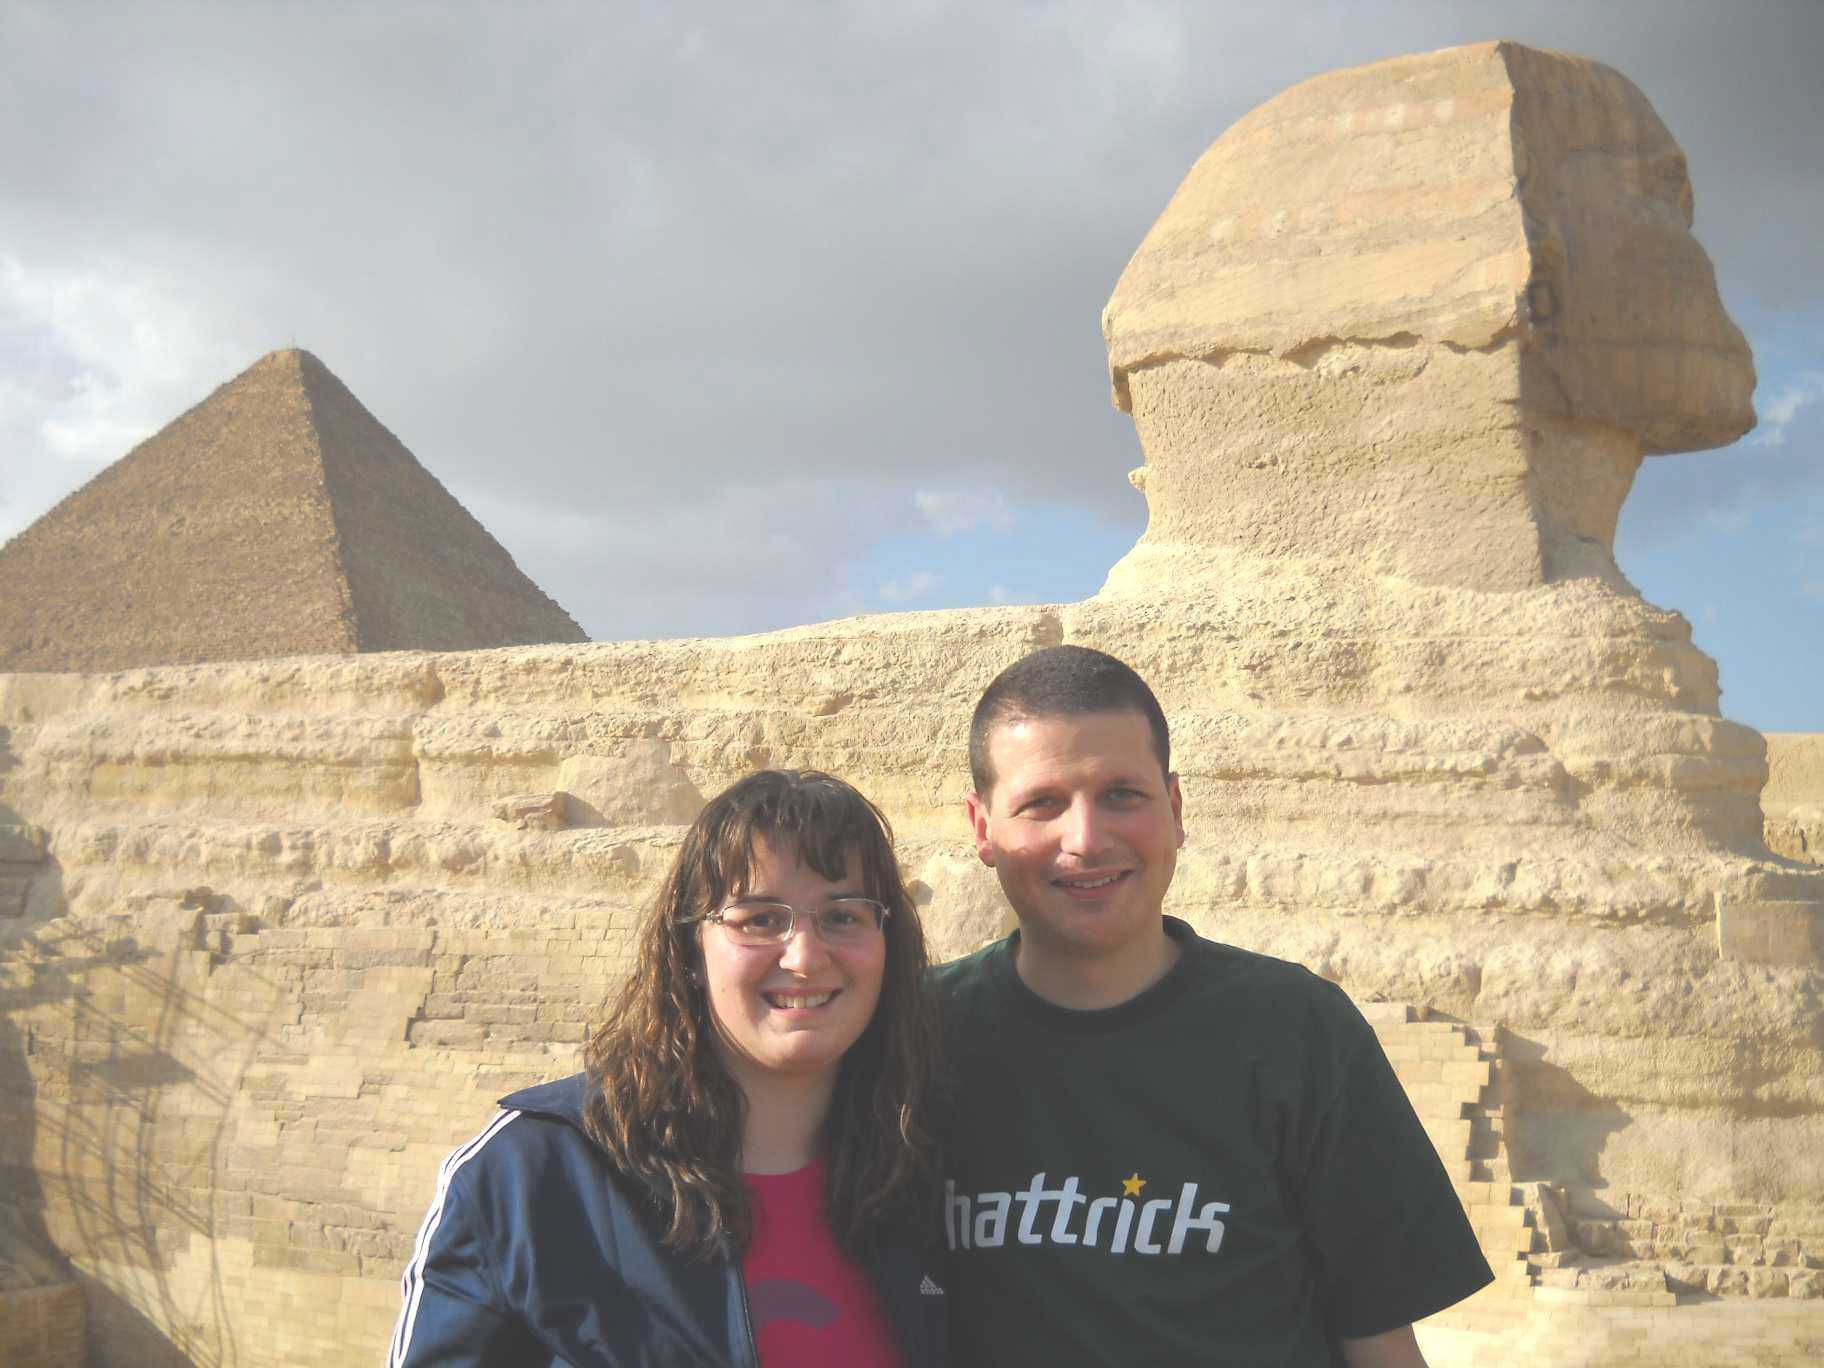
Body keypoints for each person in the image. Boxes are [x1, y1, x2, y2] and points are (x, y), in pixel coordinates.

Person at [936, 645, 1492, 1368]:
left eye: (1121, 795)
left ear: (1174, 808)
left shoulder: (1298, 1033)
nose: (1085, 838)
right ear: (982, 829)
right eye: (1043, 804)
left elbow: (1380, 1339)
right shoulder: (918, 1035)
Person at [390, 770, 945, 1367]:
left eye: (843, 915)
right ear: (691, 950)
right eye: (759, 918)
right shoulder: (534, 1173)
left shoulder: (923, 1170)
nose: (805, 956)